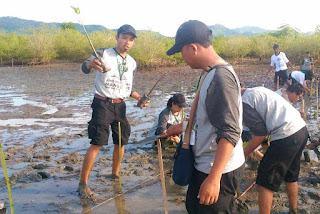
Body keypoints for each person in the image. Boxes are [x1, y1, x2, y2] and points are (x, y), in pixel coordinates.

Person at [166, 20, 245, 213]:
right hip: (206, 164)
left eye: (181, 51)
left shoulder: (220, 78)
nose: (181, 57)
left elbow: (230, 131)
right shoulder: (209, 72)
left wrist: (214, 178)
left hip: (217, 169)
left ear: (193, 48)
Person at [77, 24, 147, 199]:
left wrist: (138, 98)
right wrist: (91, 64)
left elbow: (127, 87)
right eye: (124, 38)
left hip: (120, 106)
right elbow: (84, 68)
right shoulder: (102, 53)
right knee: (98, 142)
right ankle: (83, 183)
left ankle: (115, 174)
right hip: (102, 104)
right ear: (117, 38)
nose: (127, 42)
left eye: (131, 40)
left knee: (121, 141)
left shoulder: (132, 62)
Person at [242, 87, 308, 214]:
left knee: (265, 180)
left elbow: (260, 134)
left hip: (286, 134)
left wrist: (243, 153)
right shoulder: (256, 91)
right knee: (291, 174)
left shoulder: (244, 101)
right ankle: (293, 210)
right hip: (301, 130)